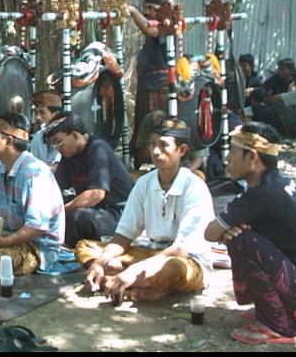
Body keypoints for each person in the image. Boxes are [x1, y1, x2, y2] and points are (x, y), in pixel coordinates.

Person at [79, 117, 214, 302]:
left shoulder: (194, 187)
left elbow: (180, 250)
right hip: (151, 252)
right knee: (86, 248)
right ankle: (146, 284)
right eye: (152, 144)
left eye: (164, 145)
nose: (156, 151)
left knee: (174, 269)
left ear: (181, 150)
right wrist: (99, 264)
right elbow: (124, 236)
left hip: (186, 258)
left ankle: (141, 282)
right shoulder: (145, 183)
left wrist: (134, 270)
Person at [204, 123, 296, 345]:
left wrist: (229, 230)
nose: (227, 158)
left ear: (252, 157)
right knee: (241, 234)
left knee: (241, 239)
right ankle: (274, 311)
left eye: (233, 152)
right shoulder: (278, 183)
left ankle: (278, 325)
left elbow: (210, 233)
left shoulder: (261, 194)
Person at [0, 113, 65, 283]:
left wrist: (2, 242)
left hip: (35, 249)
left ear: (8, 141)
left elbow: (36, 228)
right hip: (8, 238)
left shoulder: (34, 174)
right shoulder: (2, 172)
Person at [46, 112, 133, 248]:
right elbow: (56, 190)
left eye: (59, 142)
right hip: (95, 209)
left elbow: (96, 195)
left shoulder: (98, 149)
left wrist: (60, 212)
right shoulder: (68, 155)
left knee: (80, 218)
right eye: (54, 145)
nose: (57, 148)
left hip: (117, 212)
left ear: (75, 135)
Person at [127, 0, 170, 163]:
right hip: (146, 84)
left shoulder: (165, 25)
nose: (148, 12)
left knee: (156, 124)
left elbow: (150, 30)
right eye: (146, 9)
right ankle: (142, 161)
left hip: (157, 86)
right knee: (144, 125)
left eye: (152, 8)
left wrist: (132, 10)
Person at [267, 67, 296, 139]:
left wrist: (264, 101)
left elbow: (276, 98)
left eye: (295, 81)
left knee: (277, 104)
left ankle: (288, 132)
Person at [30, 91, 63, 172]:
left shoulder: (66, 136)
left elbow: (58, 169)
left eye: (42, 113)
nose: (37, 117)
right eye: (36, 112)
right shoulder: (38, 137)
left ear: (56, 114)